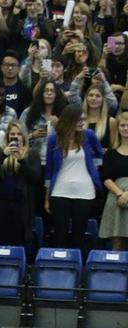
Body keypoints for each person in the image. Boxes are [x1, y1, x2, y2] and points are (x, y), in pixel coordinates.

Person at [45, 104, 103, 249]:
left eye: (83, 119)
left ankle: (77, 268)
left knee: (79, 234)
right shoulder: (54, 139)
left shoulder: (89, 135)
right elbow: (49, 169)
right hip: (60, 191)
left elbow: (100, 154)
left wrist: (93, 168)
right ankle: (60, 266)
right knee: (60, 234)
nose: (82, 122)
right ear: (69, 120)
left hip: (85, 192)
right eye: (79, 119)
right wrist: (47, 197)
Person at [98, 112, 128, 251]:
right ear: (118, 128)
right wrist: (120, 194)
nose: (126, 128)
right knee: (117, 239)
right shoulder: (111, 153)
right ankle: (118, 271)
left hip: (124, 196)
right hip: (116, 197)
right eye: (122, 125)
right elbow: (106, 178)